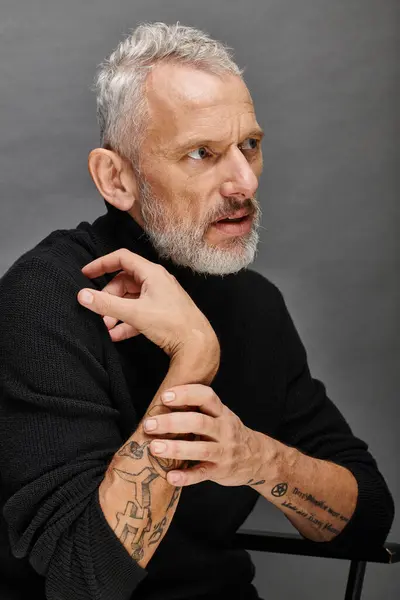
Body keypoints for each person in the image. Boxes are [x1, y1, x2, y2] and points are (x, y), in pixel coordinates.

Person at [0, 22, 394, 600]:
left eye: (250, 146)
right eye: (201, 153)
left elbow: (367, 520)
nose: (242, 181)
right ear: (117, 178)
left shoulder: (257, 304)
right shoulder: (45, 302)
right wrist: (195, 355)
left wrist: (255, 457)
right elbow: (86, 579)